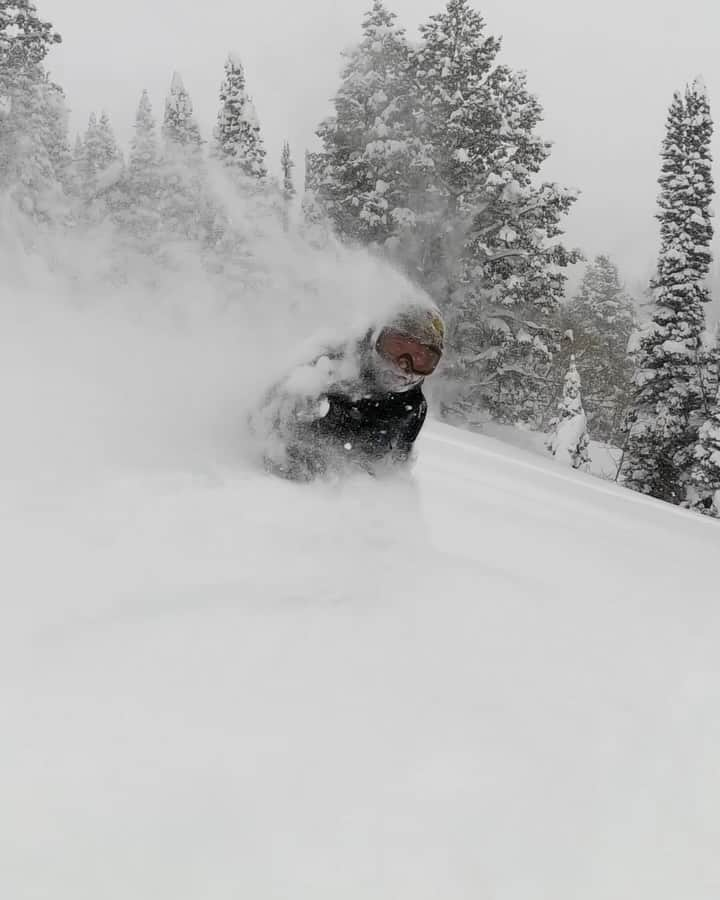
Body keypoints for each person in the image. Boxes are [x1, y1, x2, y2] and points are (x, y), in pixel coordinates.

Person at [252, 303, 446, 481]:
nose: (403, 366)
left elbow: (394, 472)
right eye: (396, 348)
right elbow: (261, 427)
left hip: (344, 502)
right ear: (375, 340)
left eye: (421, 359)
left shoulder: (413, 407)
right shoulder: (329, 369)